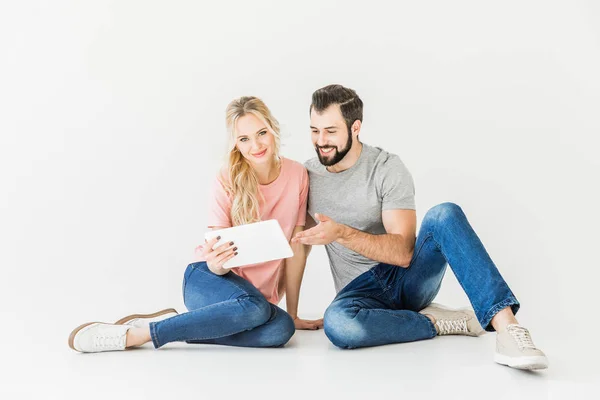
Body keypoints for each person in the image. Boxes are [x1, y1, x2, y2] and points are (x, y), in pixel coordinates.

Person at [292, 84, 548, 370]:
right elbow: (298, 244)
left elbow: (402, 252)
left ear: (355, 127)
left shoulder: (386, 168)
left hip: (406, 279)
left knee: (443, 215)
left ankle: (507, 329)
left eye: (331, 131)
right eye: (314, 130)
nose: (321, 141)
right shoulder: (307, 175)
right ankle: (433, 321)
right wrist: (291, 312)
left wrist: (341, 233)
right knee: (338, 325)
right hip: (358, 294)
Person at [69, 96, 323, 353]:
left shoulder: (297, 174)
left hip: (250, 303)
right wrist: (217, 263)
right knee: (255, 308)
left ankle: (175, 325)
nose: (256, 145)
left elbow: (297, 247)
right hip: (209, 279)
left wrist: (293, 313)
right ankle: (135, 336)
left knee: (281, 330)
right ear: (235, 143)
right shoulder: (226, 179)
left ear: (273, 129)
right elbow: (215, 257)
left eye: (261, 133)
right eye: (244, 139)